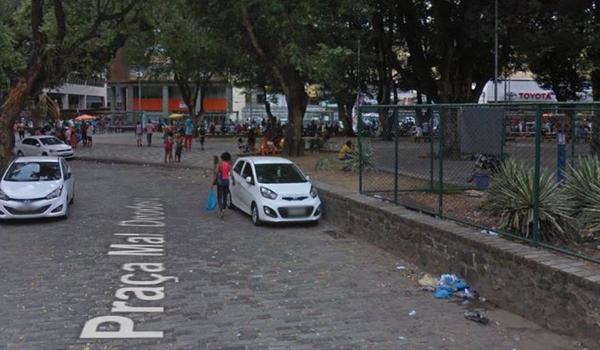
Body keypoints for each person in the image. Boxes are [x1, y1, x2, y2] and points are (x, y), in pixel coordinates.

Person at [213, 152, 234, 219]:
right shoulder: (229, 165)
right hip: (226, 182)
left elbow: (216, 173)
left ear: (222, 157)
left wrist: (212, 182)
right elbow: (231, 174)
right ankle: (224, 210)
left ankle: (221, 210)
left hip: (220, 182)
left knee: (219, 197)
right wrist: (233, 181)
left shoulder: (220, 164)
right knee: (225, 196)